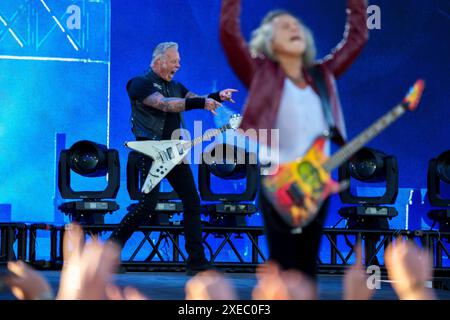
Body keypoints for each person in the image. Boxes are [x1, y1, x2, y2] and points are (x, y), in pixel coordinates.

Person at [220, 0, 369, 279]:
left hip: (314, 183)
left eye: (297, 25)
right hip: (278, 181)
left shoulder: (322, 75)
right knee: (284, 266)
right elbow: (229, 32)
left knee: (307, 267)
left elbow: (357, 38)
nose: (294, 28)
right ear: (270, 43)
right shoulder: (260, 73)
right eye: (284, 26)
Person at [109, 42, 237, 275]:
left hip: (175, 153)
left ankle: (196, 260)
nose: (178, 64)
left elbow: (196, 97)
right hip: (151, 152)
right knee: (147, 205)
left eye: (179, 60)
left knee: (192, 201)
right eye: (174, 60)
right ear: (159, 61)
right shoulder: (139, 84)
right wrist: (200, 102)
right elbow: (165, 105)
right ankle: (109, 252)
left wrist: (218, 96)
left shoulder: (175, 85)